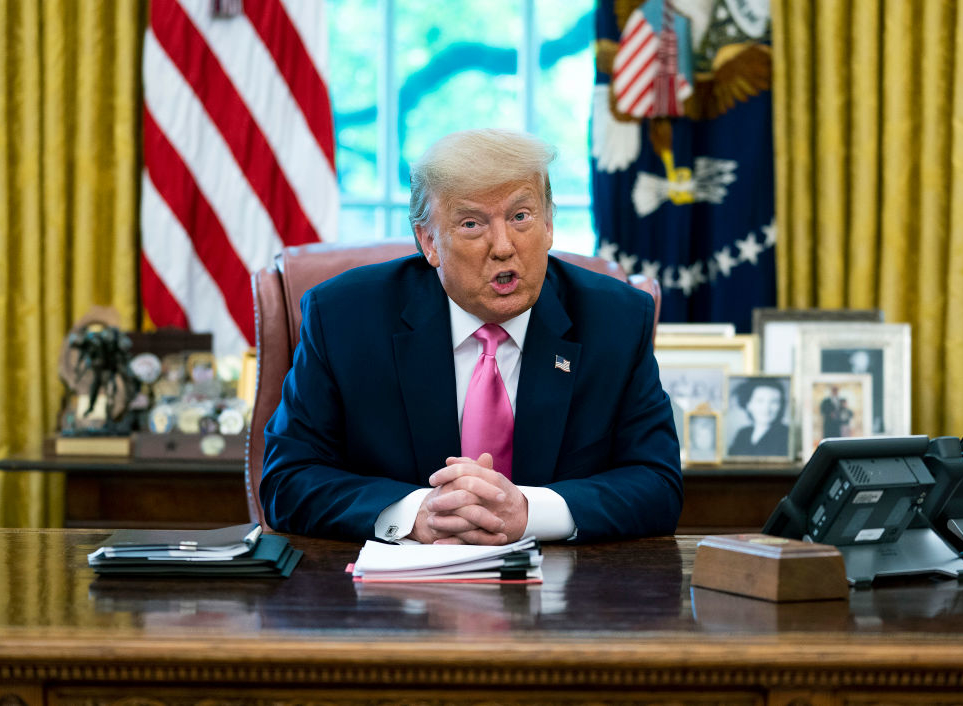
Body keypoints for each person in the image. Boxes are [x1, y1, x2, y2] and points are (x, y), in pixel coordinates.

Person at [260, 129, 682, 544]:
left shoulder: (616, 319)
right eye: (471, 223)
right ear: (429, 242)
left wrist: (530, 513)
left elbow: (658, 485)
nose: (503, 247)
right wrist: (416, 513)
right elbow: (287, 479)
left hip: (564, 598)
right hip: (391, 600)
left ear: (549, 224)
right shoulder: (344, 318)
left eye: (521, 217)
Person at [726, 378, 790, 457]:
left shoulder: (786, 435)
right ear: (748, 404)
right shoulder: (743, 434)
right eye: (760, 401)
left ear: (781, 406)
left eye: (774, 402)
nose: (766, 408)